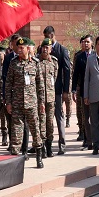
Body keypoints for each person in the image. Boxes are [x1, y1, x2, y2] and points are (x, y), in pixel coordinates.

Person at [5, 37, 45, 168]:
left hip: (31, 104)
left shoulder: (35, 63)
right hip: (17, 104)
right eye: (18, 47)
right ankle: (15, 162)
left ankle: (39, 156)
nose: (19, 50)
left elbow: (40, 85)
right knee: (16, 133)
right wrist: (8, 102)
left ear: (28, 48)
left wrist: (41, 103)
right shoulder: (13, 63)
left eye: (22, 48)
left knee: (35, 131)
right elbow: (8, 84)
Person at [45, 25, 71, 154]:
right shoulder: (42, 49)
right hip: (45, 90)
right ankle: (45, 144)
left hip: (58, 90)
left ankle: (62, 144)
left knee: (59, 116)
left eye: (47, 36)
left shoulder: (62, 50)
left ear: (52, 35)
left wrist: (66, 90)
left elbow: (67, 71)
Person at [37, 38, 59, 158]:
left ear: (51, 49)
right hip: (40, 99)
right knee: (41, 124)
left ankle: (49, 147)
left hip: (50, 98)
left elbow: (54, 78)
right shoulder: (36, 62)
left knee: (50, 123)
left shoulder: (54, 62)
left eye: (48, 48)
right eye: (44, 47)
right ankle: (42, 148)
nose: (45, 50)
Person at [72, 35, 93, 148]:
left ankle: (95, 138)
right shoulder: (79, 57)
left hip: (94, 89)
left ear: (91, 43)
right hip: (83, 89)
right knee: (85, 115)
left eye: (88, 42)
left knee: (95, 115)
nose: (85, 44)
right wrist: (74, 89)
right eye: (84, 42)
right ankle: (86, 138)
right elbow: (75, 74)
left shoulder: (96, 56)